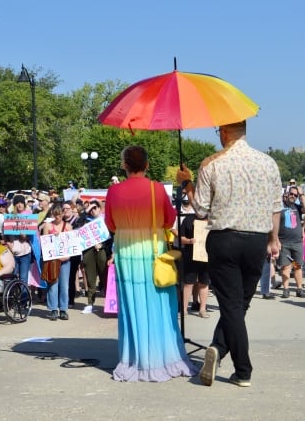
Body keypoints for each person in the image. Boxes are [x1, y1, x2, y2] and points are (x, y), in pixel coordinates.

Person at [178, 121, 283, 387]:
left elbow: (200, 209)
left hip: (223, 239)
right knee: (240, 304)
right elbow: (275, 207)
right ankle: (219, 348)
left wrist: (187, 183)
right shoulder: (268, 163)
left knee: (231, 305)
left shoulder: (212, 163)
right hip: (256, 239)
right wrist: (273, 238)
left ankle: (241, 367)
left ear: (224, 132)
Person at [107, 145, 196, 382]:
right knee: (158, 301)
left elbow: (111, 224)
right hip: (152, 248)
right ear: (146, 165)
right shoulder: (157, 189)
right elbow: (168, 220)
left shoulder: (113, 192)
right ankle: (165, 355)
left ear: (124, 165)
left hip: (126, 249)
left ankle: (136, 357)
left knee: (133, 303)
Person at [172, 197, 210, 318]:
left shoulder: (211, 220)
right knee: (188, 283)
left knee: (204, 283)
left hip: (206, 255)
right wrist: (189, 240)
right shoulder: (188, 220)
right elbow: (180, 236)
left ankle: (202, 309)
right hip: (190, 255)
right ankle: (184, 309)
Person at [40, 203, 72, 321]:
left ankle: (63, 309)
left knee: (64, 285)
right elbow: (44, 243)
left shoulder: (68, 226)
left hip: (64, 260)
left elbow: (71, 243)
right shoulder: (48, 226)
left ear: (63, 214)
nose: (57, 217)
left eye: (59, 215)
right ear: (52, 214)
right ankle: (53, 309)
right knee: (53, 284)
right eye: (55, 215)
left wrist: (67, 256)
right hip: (52, 260)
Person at [278, 187, 305, 298]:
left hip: (297, 242)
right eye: (291, 194)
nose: (293, 196)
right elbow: (273, 225)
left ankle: (299, 289)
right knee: (285, 266)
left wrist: (302, 194)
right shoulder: (280, 208)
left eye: (295, 195)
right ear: (286, 194)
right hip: (284, 242)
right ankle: (286, 289)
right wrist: (276, 240)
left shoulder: (298, 207)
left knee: (297, 266)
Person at [81, 201, 108, 314]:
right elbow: (77, 224)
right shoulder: (86, 220)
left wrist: (102, 245)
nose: (92, 210)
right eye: (91, 209)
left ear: (100, 208)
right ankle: (90, 303)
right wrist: (86, 211)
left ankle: (110, 302)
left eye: (95, 208)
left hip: (102, 251)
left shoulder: (105, 220)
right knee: (90, 277)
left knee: (105, 276)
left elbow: (111, 235)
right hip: (89, 251)